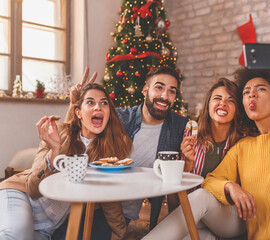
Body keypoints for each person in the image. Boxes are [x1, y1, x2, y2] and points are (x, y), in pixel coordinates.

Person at [143, 39, 270, 240]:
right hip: (263, 234)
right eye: (246, 92)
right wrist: (230, 186)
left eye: (260, 89)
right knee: (201, 197)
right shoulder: (243, 147)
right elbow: (212, 181)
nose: (251, 94)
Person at [0, 83, 133, 240]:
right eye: (90, 102)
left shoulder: (110, 152)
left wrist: (121, 235)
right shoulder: (60, 132)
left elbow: (110, 200)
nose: (98, 107)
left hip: (48, 226)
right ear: (78, 113)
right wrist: (54, 151)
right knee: (16, 235)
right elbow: (32, 188)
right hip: (22, 195)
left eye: (104, 103)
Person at [66, 66, 188, 232]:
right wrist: (74, 103)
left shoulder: (179, 126)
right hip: (95, 201)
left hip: (123, 214)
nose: (165, 96)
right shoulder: (120, 118)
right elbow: (74, 135)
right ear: (145, 90)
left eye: (171, 91)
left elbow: (177, 181)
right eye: (159, 87)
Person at [167, 77, 244, 214]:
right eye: (217, 98)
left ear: (237, 109)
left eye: (230, 100)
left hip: (226, 213)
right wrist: (187, 165)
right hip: (195, 211)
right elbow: (176, 191)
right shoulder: (191, 134)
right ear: (208, 104)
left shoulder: (242, 141)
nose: (223, 103)